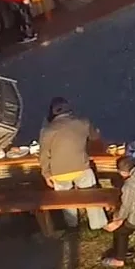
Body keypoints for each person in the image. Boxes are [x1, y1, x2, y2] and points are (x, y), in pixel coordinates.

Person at [38, 98, 107, 229]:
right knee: (91, 196)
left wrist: (46, 174)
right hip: (81, 167)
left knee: (66, 200)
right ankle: (98, 224)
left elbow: (43, 154)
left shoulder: (47, 130)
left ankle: (72, 224)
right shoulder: (83, 122)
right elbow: (95, 137)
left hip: (59, 172)